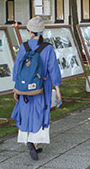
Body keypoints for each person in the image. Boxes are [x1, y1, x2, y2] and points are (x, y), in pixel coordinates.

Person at [11, 17, 62, 160]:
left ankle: (29, 140)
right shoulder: (48, 48)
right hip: (42, 86)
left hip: (23, 87)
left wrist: (16, 89)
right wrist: (57, 89)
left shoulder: (23, 47)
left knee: (26, 112)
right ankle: (33, 141)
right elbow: (54, 70)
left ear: (29, 31)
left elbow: (17, 70)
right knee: (40, 112)